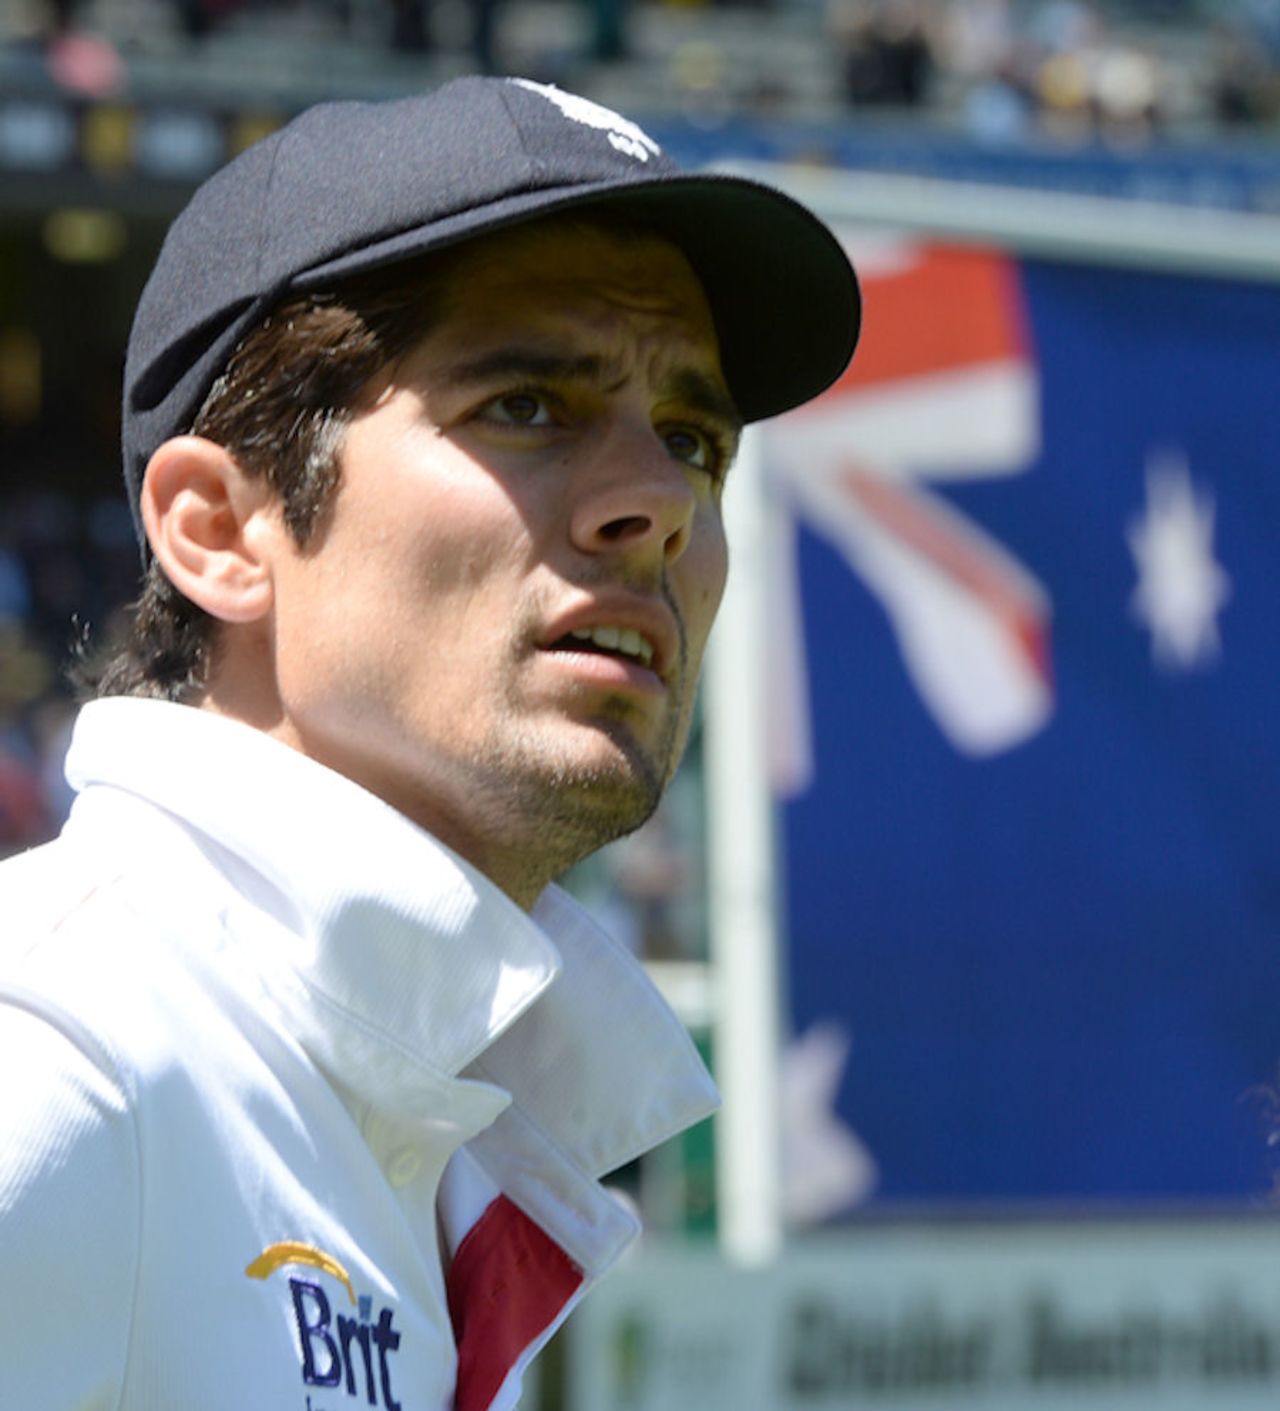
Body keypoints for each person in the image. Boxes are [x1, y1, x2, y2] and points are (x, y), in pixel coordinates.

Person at [0, 76, 859, 1410]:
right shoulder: (57, 1060)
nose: (661, 503)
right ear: (221, 532)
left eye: (693, 439)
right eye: (527, 404)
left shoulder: (429, 1128)